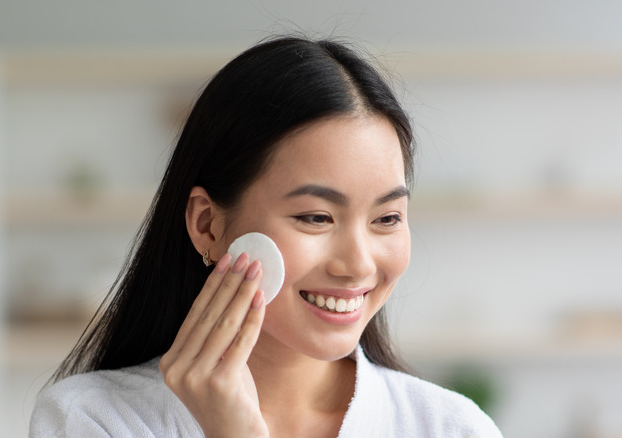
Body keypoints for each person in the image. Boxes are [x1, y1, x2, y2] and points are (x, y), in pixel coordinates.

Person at [29, 36, 504, 438]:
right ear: (207, 225)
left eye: (386, 218)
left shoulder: (451, 428)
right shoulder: (95, 420)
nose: (358, 264)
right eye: (317, 217)